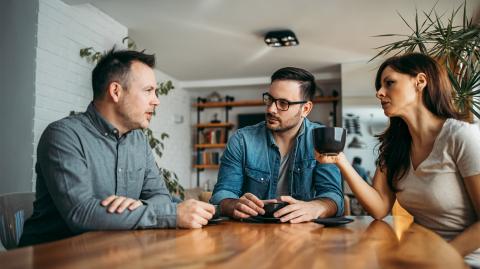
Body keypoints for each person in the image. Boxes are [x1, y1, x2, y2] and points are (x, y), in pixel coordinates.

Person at [19, 49, 215, 246]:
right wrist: (171, 214)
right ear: (115, 91)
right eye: (148, 90)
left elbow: (161, 196)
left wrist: (140, 206)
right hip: (51, 257)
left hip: (111, 251)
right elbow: (81, 214)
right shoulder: (63, 135)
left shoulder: (138, 140)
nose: (156, 100)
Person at [315, 53, 480, 266]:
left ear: (420, 82)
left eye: (389, 83)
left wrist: (441, 259)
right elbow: (379, 207)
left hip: (464, 260)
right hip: (422, 258)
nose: (379, 93)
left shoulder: (461, 136)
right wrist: (341, 161)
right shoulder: (395, 147)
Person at [210, 67, 343, 223]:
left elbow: (333, 196)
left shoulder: (321, 139)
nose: (271, 109)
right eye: (270, 99)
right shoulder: (242, 140)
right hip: (252, 233)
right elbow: (222, 194)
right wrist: (234, 204)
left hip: (305, 234)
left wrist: (317, 207)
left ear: (305, 109)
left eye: (283, 103)